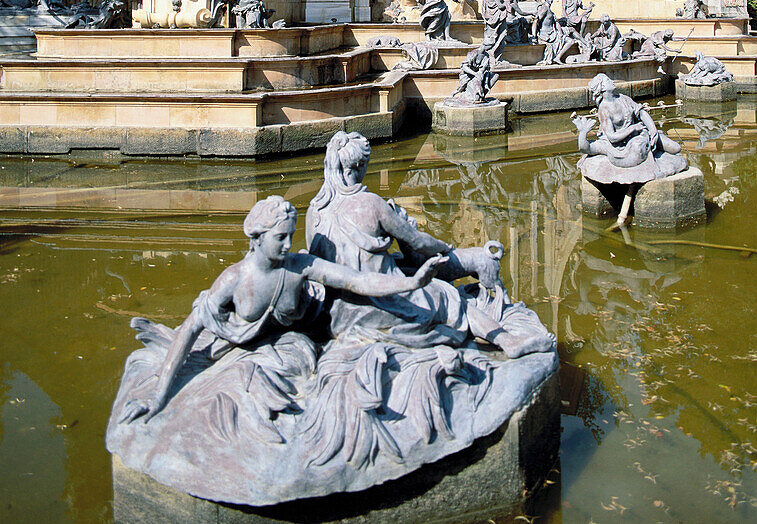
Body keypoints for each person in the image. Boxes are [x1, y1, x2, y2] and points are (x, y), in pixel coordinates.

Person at [120, 195, 446, 423]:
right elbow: (192, 328)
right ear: (258, 237)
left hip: (300, 339)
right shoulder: (234, 279)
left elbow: (357, 281)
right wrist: (158, 397)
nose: (289, 245)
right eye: (281, 238)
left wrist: (413, 283)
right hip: (247, 344)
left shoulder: (300, 266)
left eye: (291, 236)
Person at [306, 130, 554, 358]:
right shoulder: (371, 204)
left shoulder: (314, 210)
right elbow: (417, 242)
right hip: (377, 306)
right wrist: (446, 248)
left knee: (406, 269)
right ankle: (509, 342)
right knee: (451, 297)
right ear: (359, 166)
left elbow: (327, 264)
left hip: (336, 312)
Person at [572, 73, 686, 228]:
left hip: (643, 134)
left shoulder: (623, 98)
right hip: (624, 143)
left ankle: (652, 145)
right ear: (602, 88)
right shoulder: (604, 109)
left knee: (676, 148)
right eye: (606, 80)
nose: (611, 80)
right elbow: (611, 137)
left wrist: (652, 130)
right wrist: (632, 128)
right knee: (638, 154)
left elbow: (641, 112)